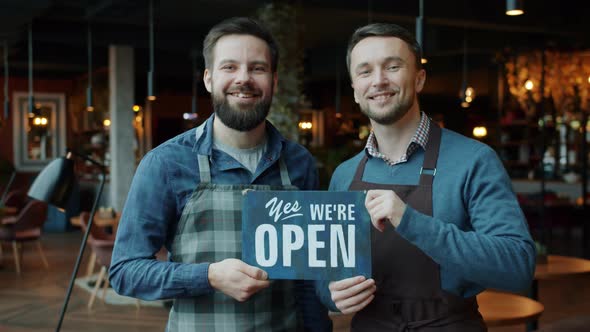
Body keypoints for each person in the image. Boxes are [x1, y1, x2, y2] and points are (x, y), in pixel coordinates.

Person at [110, 17, 331, 332]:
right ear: (209, 79)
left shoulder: (299, 163)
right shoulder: (165, 164)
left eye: (257, 68)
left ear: (274, 81)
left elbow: (308, 279)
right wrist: (208, 275)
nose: (244, 79)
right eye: (230, 67)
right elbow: (125, 272)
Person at [316, 23, 536, 331]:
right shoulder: (344, 175)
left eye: (393, 67)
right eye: (365, 71)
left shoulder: (474, 160)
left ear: (419, 79)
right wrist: (331, 294)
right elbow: (326, 275)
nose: (379, 80)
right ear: (354, 90)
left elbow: (517, 267)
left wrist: (410, 220)